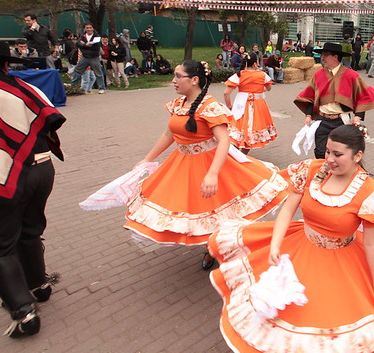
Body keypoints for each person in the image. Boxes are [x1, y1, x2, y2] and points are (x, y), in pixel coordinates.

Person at [207, 124, 374, 353]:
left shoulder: (368, 192)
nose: (329, 159)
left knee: (338, 320)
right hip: (301, 246)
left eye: (338, 154)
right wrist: (276, 244)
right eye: (327, 151)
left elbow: (372, 243)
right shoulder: (313, 170)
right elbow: (289, 206)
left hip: (342, 258)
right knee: (298, 312)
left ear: (357, 156)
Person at [123, 60, 288, 267]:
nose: (173, 81)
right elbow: (169, 134)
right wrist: (147, 159)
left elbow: (224, 140)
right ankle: (213, 245)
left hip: (211, 163)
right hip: (182, 164)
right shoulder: (178, 104)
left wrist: (212, 173)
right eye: (173, 76)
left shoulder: (210, 107)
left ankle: (219, 247)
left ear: (194, 80)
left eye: (178, 76)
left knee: (219, 209)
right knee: (193, 208)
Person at [0, 36, 66, 337]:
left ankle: (23, 312)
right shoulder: (24, 87)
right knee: (29, 230)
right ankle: (38, 285)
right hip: (42, 169)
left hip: (0, 175)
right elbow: (49, 121)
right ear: (6, 63)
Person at [295, 42, 374, 159]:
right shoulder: (318, 75)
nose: (322, 58)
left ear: (335, 57)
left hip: (341, 121)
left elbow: (362, 96)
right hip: (322, 121)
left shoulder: (351, 75)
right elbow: (310, 96)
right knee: (321, 153)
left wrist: (358, 117)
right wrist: (308, 116)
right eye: (322, 55)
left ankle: (344, 175)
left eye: (325, 55)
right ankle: (324, 176)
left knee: (342, 153)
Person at [223, 51, 277, 153]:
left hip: (241, 105)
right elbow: (268, 88)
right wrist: (259, 90)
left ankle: (235, 153)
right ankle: (242, 154)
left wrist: (229, 106)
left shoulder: (239, 75)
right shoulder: (262, 75)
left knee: (238, 129)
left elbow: (226, 93)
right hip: (258, 105)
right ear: (255, 63)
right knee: (251, 130)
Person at [71, 23, 107, 94]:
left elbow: (97, 47)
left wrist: (85, 45)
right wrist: (85, 45)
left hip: (94, 57)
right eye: (87, 28)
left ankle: (101, 87)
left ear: (93, 28)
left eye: (90, 27)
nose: (89, 29)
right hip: (85, 57)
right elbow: (79, 44)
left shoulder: (97, 36)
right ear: (85, 29)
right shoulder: (82, 36)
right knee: (77, 71)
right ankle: (73, 87)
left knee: (98, 73)